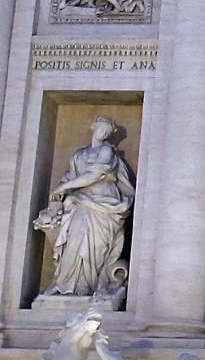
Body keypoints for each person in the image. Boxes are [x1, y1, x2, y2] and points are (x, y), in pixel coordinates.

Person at [34, 119, 135, 299]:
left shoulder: (107, 151)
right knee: (75, 240)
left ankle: (86, 288)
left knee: (96, 248)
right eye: (102, 128)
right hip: (79, 204)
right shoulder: (79, 155)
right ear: (93, 127)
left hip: (104, 206)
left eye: (107, 131)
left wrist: (63, 189)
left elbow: (94, 175)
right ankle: (65, 284)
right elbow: (70, 176)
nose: (103, 133)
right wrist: (60, 190)